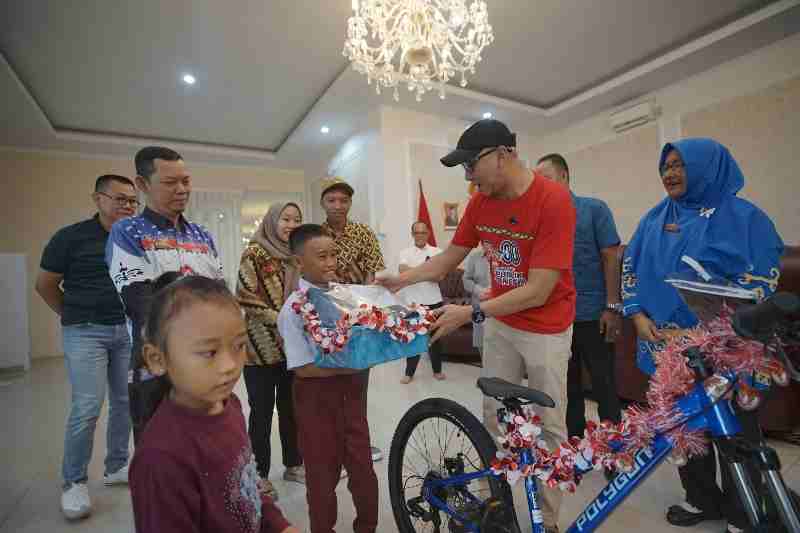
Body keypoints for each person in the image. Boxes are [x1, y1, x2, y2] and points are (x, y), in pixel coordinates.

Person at [378, 119, 576, 533]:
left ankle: (550, 522)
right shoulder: (481, 203)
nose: (467, 176)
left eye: (471, 166)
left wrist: (470, 313)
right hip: (501, 322)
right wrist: (403, 279)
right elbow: (448, 258)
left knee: (549, 427)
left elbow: (540, 290)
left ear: (502, 155)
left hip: (547, 327)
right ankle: (494, 505)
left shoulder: (553, 200)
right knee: (495, 418)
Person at [622, 138, 783, 533]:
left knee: (736, 431)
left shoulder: (746, 218)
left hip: (725, 348)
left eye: (679, 164)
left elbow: (763, 283)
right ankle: (701, 499)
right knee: (684, 426)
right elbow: (630, 268)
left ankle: (745, 511)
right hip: (664, 345)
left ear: (707, 166)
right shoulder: (653, 218)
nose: (670, 173)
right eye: (665, 166)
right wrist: (636, 315)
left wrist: (702, 330)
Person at [129, 274, 298, 533]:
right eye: (209, 352)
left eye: (239, 346)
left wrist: (280, 526)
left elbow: (246, 487)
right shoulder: (160, 460)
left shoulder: (230, 405)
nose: (230, 365)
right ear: (157, 358)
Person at [37, 174, 138, 520]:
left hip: (126, 330)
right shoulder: (70, 237)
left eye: (132, 200)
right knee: (87, 406)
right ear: (98, 198)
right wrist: (74, 315)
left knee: (125, 401)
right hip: (85, 332)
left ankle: (116, 466)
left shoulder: (135, 238)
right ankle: (74, 481)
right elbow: (45, 284)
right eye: (120, 198)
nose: (127, 205)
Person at [106, 146, 224, 442]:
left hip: (207, 362)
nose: (182, 189)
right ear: (143, 185)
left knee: (206, 444)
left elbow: (220, 294)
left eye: (186, 181)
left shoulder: (202, 235)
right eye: (171, 183)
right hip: (157, 364)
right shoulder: (128, 231)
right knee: (160, 453)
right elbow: (140, 302)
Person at [278, 224, 379, 533]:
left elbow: (365, 335)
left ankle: (367, 527)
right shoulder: (293, 310)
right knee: (322, 476)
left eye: (334, 254)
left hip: (352, 398)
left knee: (363, 469)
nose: (331, 262)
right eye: (321, 256)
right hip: (315, 402)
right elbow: (303, 368)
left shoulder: (348, 297)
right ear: (298, 263)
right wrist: (353, 366)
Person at [535, 154, 623, 448]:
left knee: (605, 386)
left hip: (594, 315)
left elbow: (612, 256)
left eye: (545, 177)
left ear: (564, 176)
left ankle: (612, 451)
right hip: (558, 321)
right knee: (567, 389)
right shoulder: (542, 220)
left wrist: (612, 307)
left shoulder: (593, 209)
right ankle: (574, 448)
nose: (539, 185)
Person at [237, 202, 305, 501]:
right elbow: (244, 295)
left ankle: (293, 464)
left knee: (292, 409)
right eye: (285, 219)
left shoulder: (297, 257)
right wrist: (279, 319)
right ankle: (260, 474)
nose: (290, 224)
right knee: (262, 413)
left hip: (292, 348)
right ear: (271, 222)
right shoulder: (255, 252)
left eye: (296, 219)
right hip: (258, 348)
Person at [319, 176, 385, 462]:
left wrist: (363, 302)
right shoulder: (315, 234)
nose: (338, 206)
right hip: (325, 316)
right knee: (330, 384)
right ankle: (333, 446)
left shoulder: (363, 232)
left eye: (343, 200)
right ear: (322, 202)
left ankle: (359, 444)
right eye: (332, 200)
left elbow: (375, 270)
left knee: (358, 383)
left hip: (359, 317)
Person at [397, 221, 446, 383]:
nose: (420, 236)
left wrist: (415, 273)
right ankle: (409, 373)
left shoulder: (437, 251)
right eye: (416, 233)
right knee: (413, 338)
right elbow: (403, 273)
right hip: (413, 303)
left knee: (435, 338)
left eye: (423, 232)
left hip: (434, 301)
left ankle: (437, 370)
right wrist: (428, 270)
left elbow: (440, 276)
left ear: (428, 234)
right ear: (412, 235)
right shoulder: (405, 253)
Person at [462, 242, 491, 359]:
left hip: (501, 304)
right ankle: (486, 370)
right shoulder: (474, 256)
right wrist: (479, 291)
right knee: (480, 340)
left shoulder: (508, 254)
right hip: (479, 304)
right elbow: (466, 279)